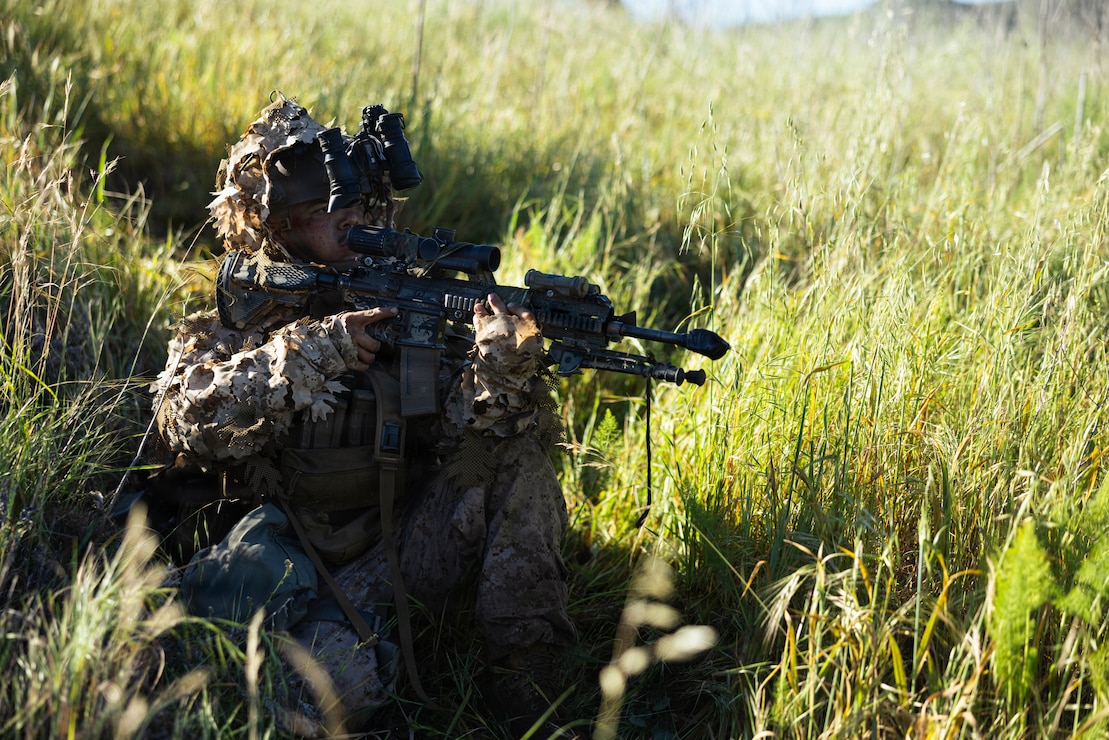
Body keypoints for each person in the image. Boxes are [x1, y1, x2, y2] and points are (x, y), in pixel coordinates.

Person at [149, 92, 579, 737]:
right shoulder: (241, 317)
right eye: (323, 210)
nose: (349, 220)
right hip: (289, 553)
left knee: (519, 462)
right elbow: (187, 419)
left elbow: (473, 446)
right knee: (291, 708)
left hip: (397, 548)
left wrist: (502, 371)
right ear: (279, 226)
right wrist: (313, 352)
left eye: (356, 205)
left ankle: (530, 693)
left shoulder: (413, 302)